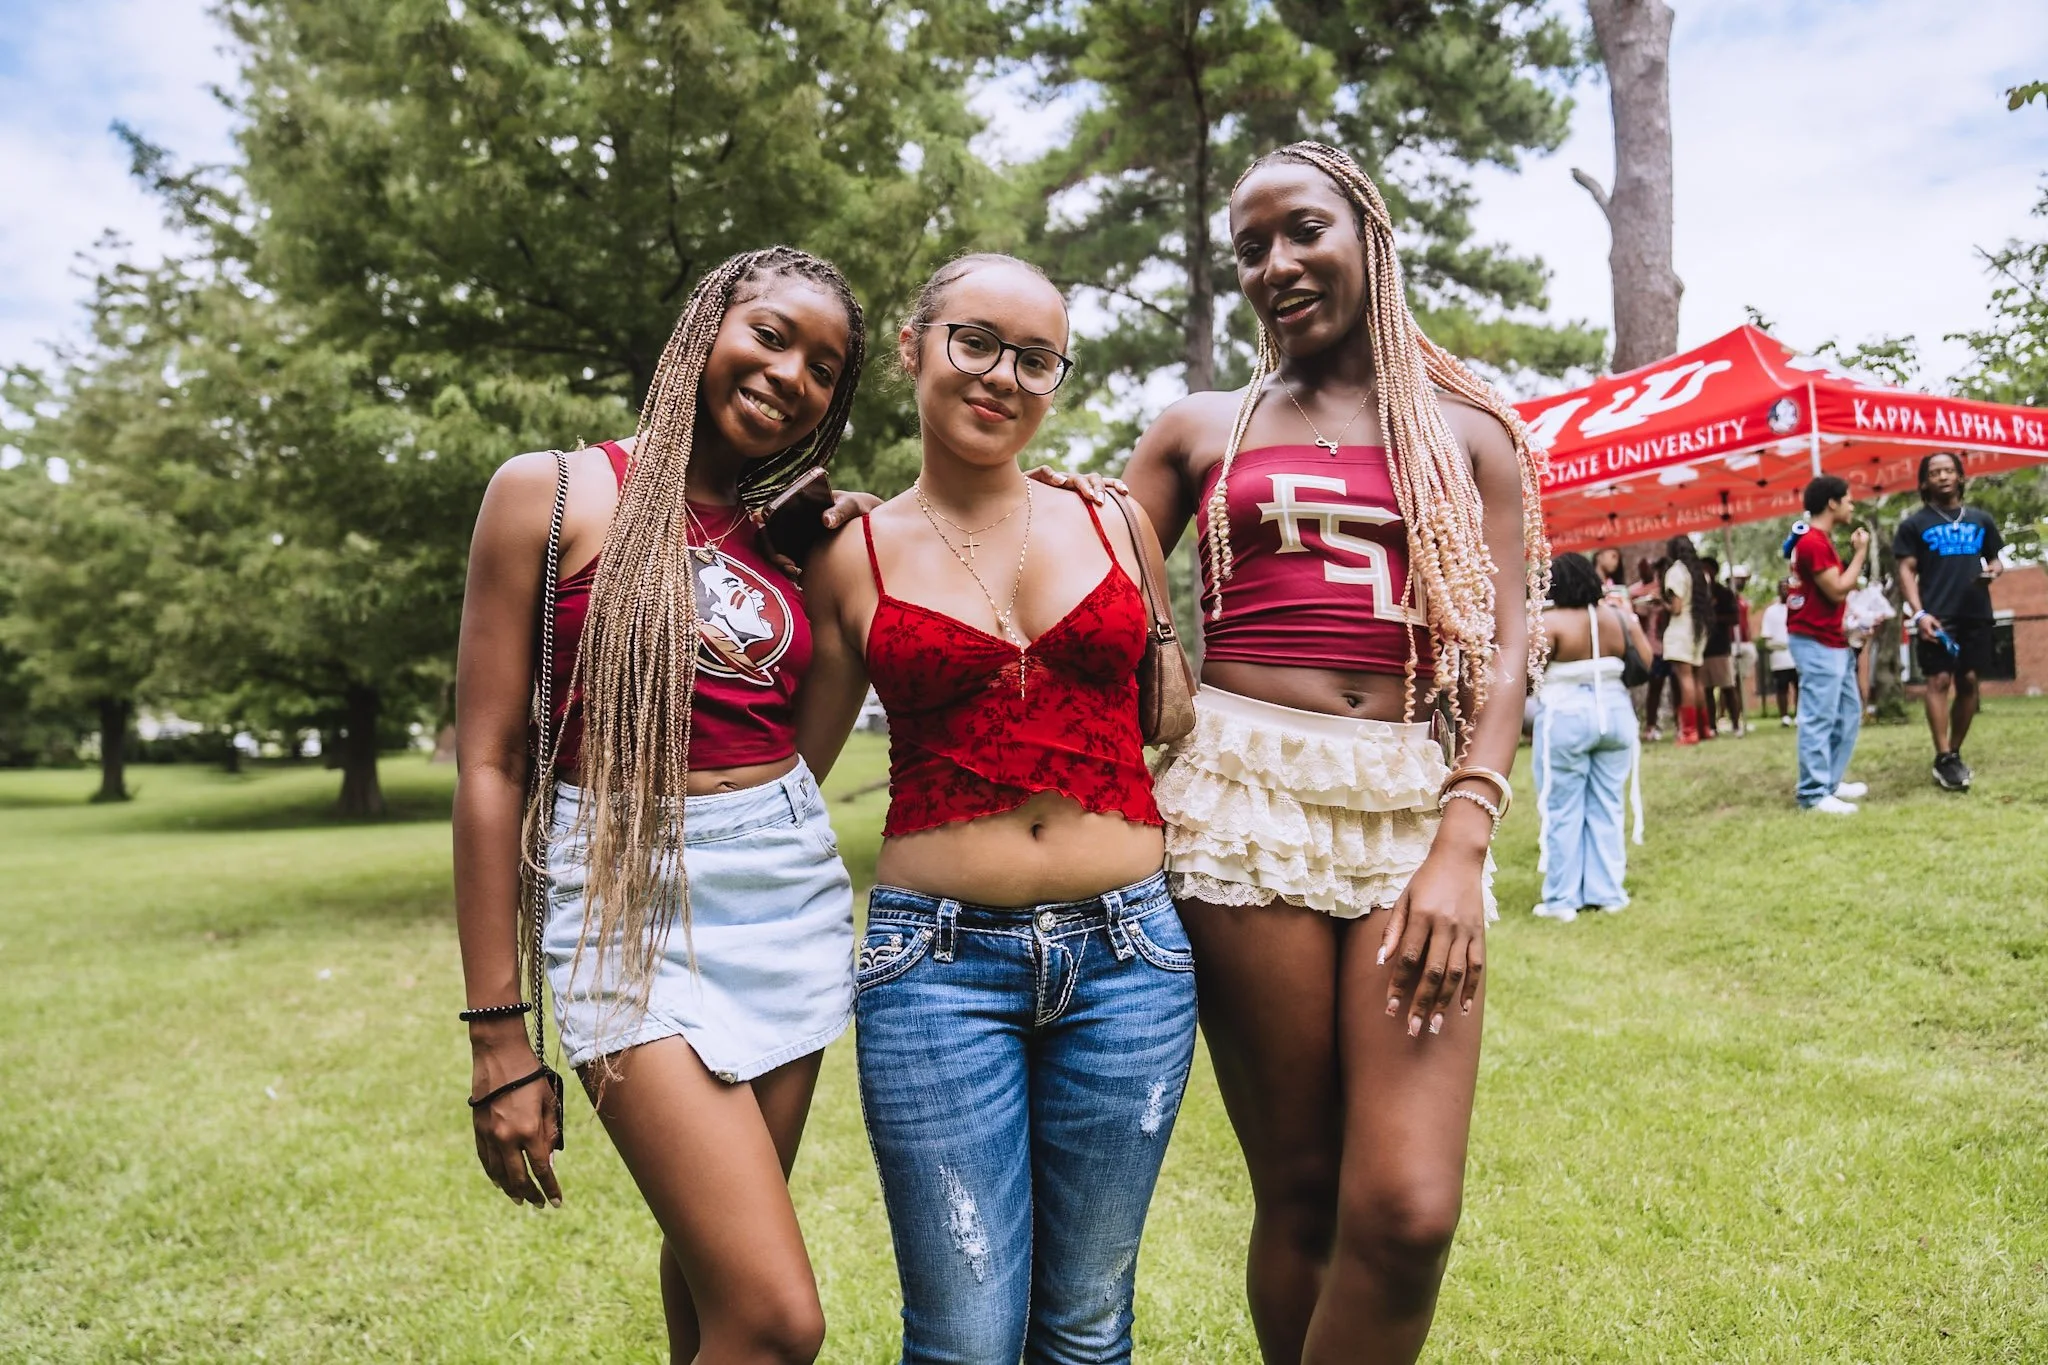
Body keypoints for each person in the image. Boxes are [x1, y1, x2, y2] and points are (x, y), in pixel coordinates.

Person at [1107, 141, 1544, 1365]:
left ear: (1368, 235)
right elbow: (1079, 564)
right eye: (1248, 249)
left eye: (1300, 231)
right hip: (1243, 800)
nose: (1274, 265)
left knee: (1406, 1211)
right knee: (1300, 1190)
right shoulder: (1202, 425)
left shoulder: (1468, 433)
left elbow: (1508, 651)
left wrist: (1463, 835)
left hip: (1413, 801)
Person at [452, 247, 870, 1364]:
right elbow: (489, 763)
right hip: (622, 905)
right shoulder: (549, 493)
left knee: (711, 1278)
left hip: (781, 895)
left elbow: (801, 753)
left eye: (824, 369)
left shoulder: (800, 551)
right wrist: (500, 1041)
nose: (791, 375)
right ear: (705, 326)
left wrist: (839, 554)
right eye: (771, 335)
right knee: (777, 1321)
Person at [800, 252, 1197, 1364]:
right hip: (932, 973)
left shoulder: (1112, 521)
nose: (1002, 377)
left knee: (1084, 1328)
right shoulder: (849, 551)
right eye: (974, 342)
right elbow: (788, 775)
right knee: (966, 1339)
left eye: (1035, 359)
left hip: (1133, 961)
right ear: (913, 349)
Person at [1530, 553, 1653, 922]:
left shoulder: (1550, 622)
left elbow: (1527, 676)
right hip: (1616, 714)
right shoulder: (1617, 617)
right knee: (1607, 804)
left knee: (1562, 807)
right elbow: (1646, 662)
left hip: (1566, 717)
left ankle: (1561, 900)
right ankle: (1608, 892)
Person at [1895, 450, 2006, 790]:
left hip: (1975, 611)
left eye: (1948, 471)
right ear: (1925, 482)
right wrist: (1920, 612)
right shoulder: (1914, 524)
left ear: (1960, 477)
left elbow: (1996, 560)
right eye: (1934, 472)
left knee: (1969, 681)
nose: (1942, 476)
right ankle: (1943, 755)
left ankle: (1953, 753)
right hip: (1937, 615)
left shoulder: (1980, 519)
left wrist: (1992, 571)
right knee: (1939, 680)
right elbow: (1906, 570)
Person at [1784, 476, 1872, 813]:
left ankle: (1829, 782)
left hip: (1831, 639)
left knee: (1848, 713)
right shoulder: (1813, 543)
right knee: (1819, 716)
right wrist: (1860, 554)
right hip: (1815, 640)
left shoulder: (1818, 540)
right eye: (1848, 499)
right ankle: (1813, 793)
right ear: (1832, 503)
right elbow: (1836, 589)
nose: (1852, 505)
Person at [1660, 535, 1716, 746]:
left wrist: (1661, 603)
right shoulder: (1701, 573)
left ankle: (1689, 731)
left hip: (1681, 628)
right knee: (1696, 678)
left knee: (1684, 679)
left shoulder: (1676, 572)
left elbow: (1676, 608)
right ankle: (1704, 728)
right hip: (1698, 629)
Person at [1630, 556, 1671, 741]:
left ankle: (1682, 724)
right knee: (1654, 685)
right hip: (1652, 645)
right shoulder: (1636, 591)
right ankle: (1651, 726)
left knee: (1674, 684)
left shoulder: (1664, 587)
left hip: (1671, 644)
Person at [1700, 555, 1738, 736]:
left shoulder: (1724, 593)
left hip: (1721, 647)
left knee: (1727, 687)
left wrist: (1715, 619)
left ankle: (1736, 723)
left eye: (1706, 568)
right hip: (1703, 648)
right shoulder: (1698, 596)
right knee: (1707, 690)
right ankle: (1711, 726)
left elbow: (1735, 618)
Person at [1760, 578, 1799, 725]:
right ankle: (1784, 716)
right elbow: (1766, 636)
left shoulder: (1797, 607)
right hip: (1779, 657)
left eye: (1787, 587)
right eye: (1782, 587)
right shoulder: (1771, 611)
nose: (1785, 590)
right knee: (1782, 687)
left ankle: (1798, 715)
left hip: (1797, 655)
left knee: (1799, 686)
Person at [1726, 563, 1757, 734]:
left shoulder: (1742, 600)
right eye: (1740, 579)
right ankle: (1732, 719)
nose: (1743, 582)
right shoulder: (1727, 599)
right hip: (1731, 643)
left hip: (1744, 643)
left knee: (1739, 682)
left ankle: (1741, 718)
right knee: (1730, 684)